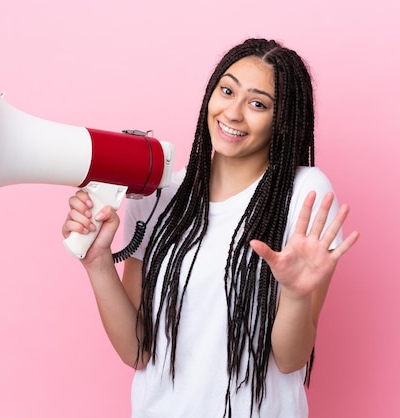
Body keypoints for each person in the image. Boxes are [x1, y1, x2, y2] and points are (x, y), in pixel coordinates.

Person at [62, 38, 360, 418]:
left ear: (282, 121)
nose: (233, 113)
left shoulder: (305, 192)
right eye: (227, 90)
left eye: (257, 104)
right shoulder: (157, 193)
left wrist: (297, 295)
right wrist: (98, 263)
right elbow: (137, 352)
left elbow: (289, 360)